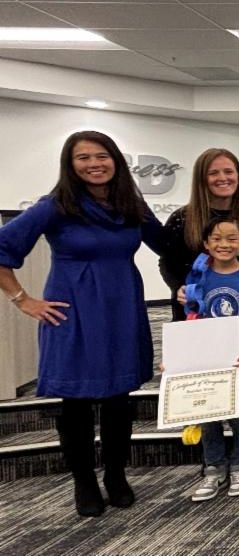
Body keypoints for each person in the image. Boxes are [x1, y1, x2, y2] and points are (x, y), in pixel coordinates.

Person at [0, 130, 163, 517]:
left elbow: (170, 246)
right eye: (83, 157)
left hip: (121, 310)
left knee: (119, 400)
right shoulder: (56, 205)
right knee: (76, 404)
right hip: (72, 313)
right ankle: (84, 480)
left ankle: (116, 475)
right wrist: (23, 300)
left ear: (116, 160)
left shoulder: (131, 204)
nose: (94, 164)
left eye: (102, 156)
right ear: (70, 165)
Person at [158, 148, 239, 474]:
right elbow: (167, 262)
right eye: (214, 173)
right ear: (202, 179)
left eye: (229, 172)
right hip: (198, 312)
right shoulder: (183, 218)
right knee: (206, 385)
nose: (223, 178)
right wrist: (179, 286)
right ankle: (212, 459)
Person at [186, 216, 239, 502]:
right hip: (207, 360)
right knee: (208, 417)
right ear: (206, 243)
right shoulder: (197, 278)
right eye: (217, 239)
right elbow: (189, 318)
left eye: (232, 238)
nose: (224, 244)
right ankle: (214, 468)